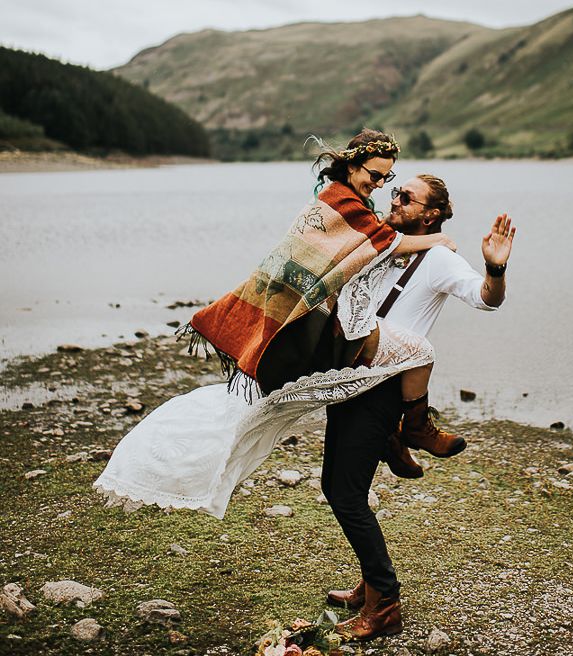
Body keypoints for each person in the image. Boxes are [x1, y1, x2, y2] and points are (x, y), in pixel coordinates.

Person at [93, 131, 457, 519]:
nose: (381, 185)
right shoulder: (342, 203)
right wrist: (440, 240)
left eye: (388, 178)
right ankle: (412, 430)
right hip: (324, 329)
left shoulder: (347, 200)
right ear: (352, 165)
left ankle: (396, 435)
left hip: (328, 323)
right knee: (418, 351)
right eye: (376, 175)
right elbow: (387, 243)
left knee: (269, 410)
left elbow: (369, 244)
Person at [323, 174, 516, 641]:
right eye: (394, 191)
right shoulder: (386, 244)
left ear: (430, 213)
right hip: (350, 380)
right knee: (349, 485)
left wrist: (494, 268)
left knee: (343, 492)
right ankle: (371, 583)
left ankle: (384, 603)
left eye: (405, 197)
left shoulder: (438, 259)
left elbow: (486, 300)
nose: (395, 199)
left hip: (384, 389)